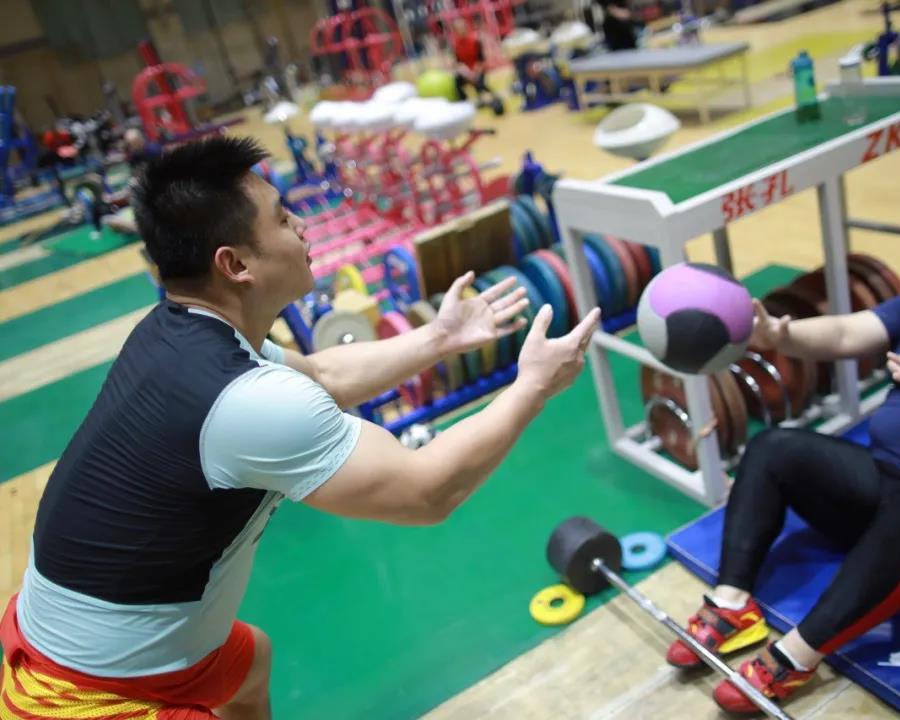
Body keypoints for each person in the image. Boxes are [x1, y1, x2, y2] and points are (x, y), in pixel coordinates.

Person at [0, 136, 601, 719]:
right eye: (285, 221)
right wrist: (533, 386)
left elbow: (322, 373)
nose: (305, 230)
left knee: (250, 662)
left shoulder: (176, 327)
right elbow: (427, 491)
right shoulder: (245, 401)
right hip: (87, 694)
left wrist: (439, 338)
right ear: (235, 265)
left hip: (83, 631)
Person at [665, 217, 900, 713]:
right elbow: (846, 332)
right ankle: (732, 605)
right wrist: (778, 334)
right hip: (885, 491)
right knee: (775, 447)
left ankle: (794, 658)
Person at [449, 16, 503, 113]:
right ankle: (464, 104)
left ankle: (495, 98)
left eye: (462, 28)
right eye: (457, 29)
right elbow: (458, 63)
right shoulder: (456, 45)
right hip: (466, 71)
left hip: (478, 70)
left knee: (479, 84)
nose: (460, 30)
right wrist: (466, 73)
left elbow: (481, 60)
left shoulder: (475, 41)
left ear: (466, 28)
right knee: (456, 81)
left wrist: (475, 74)